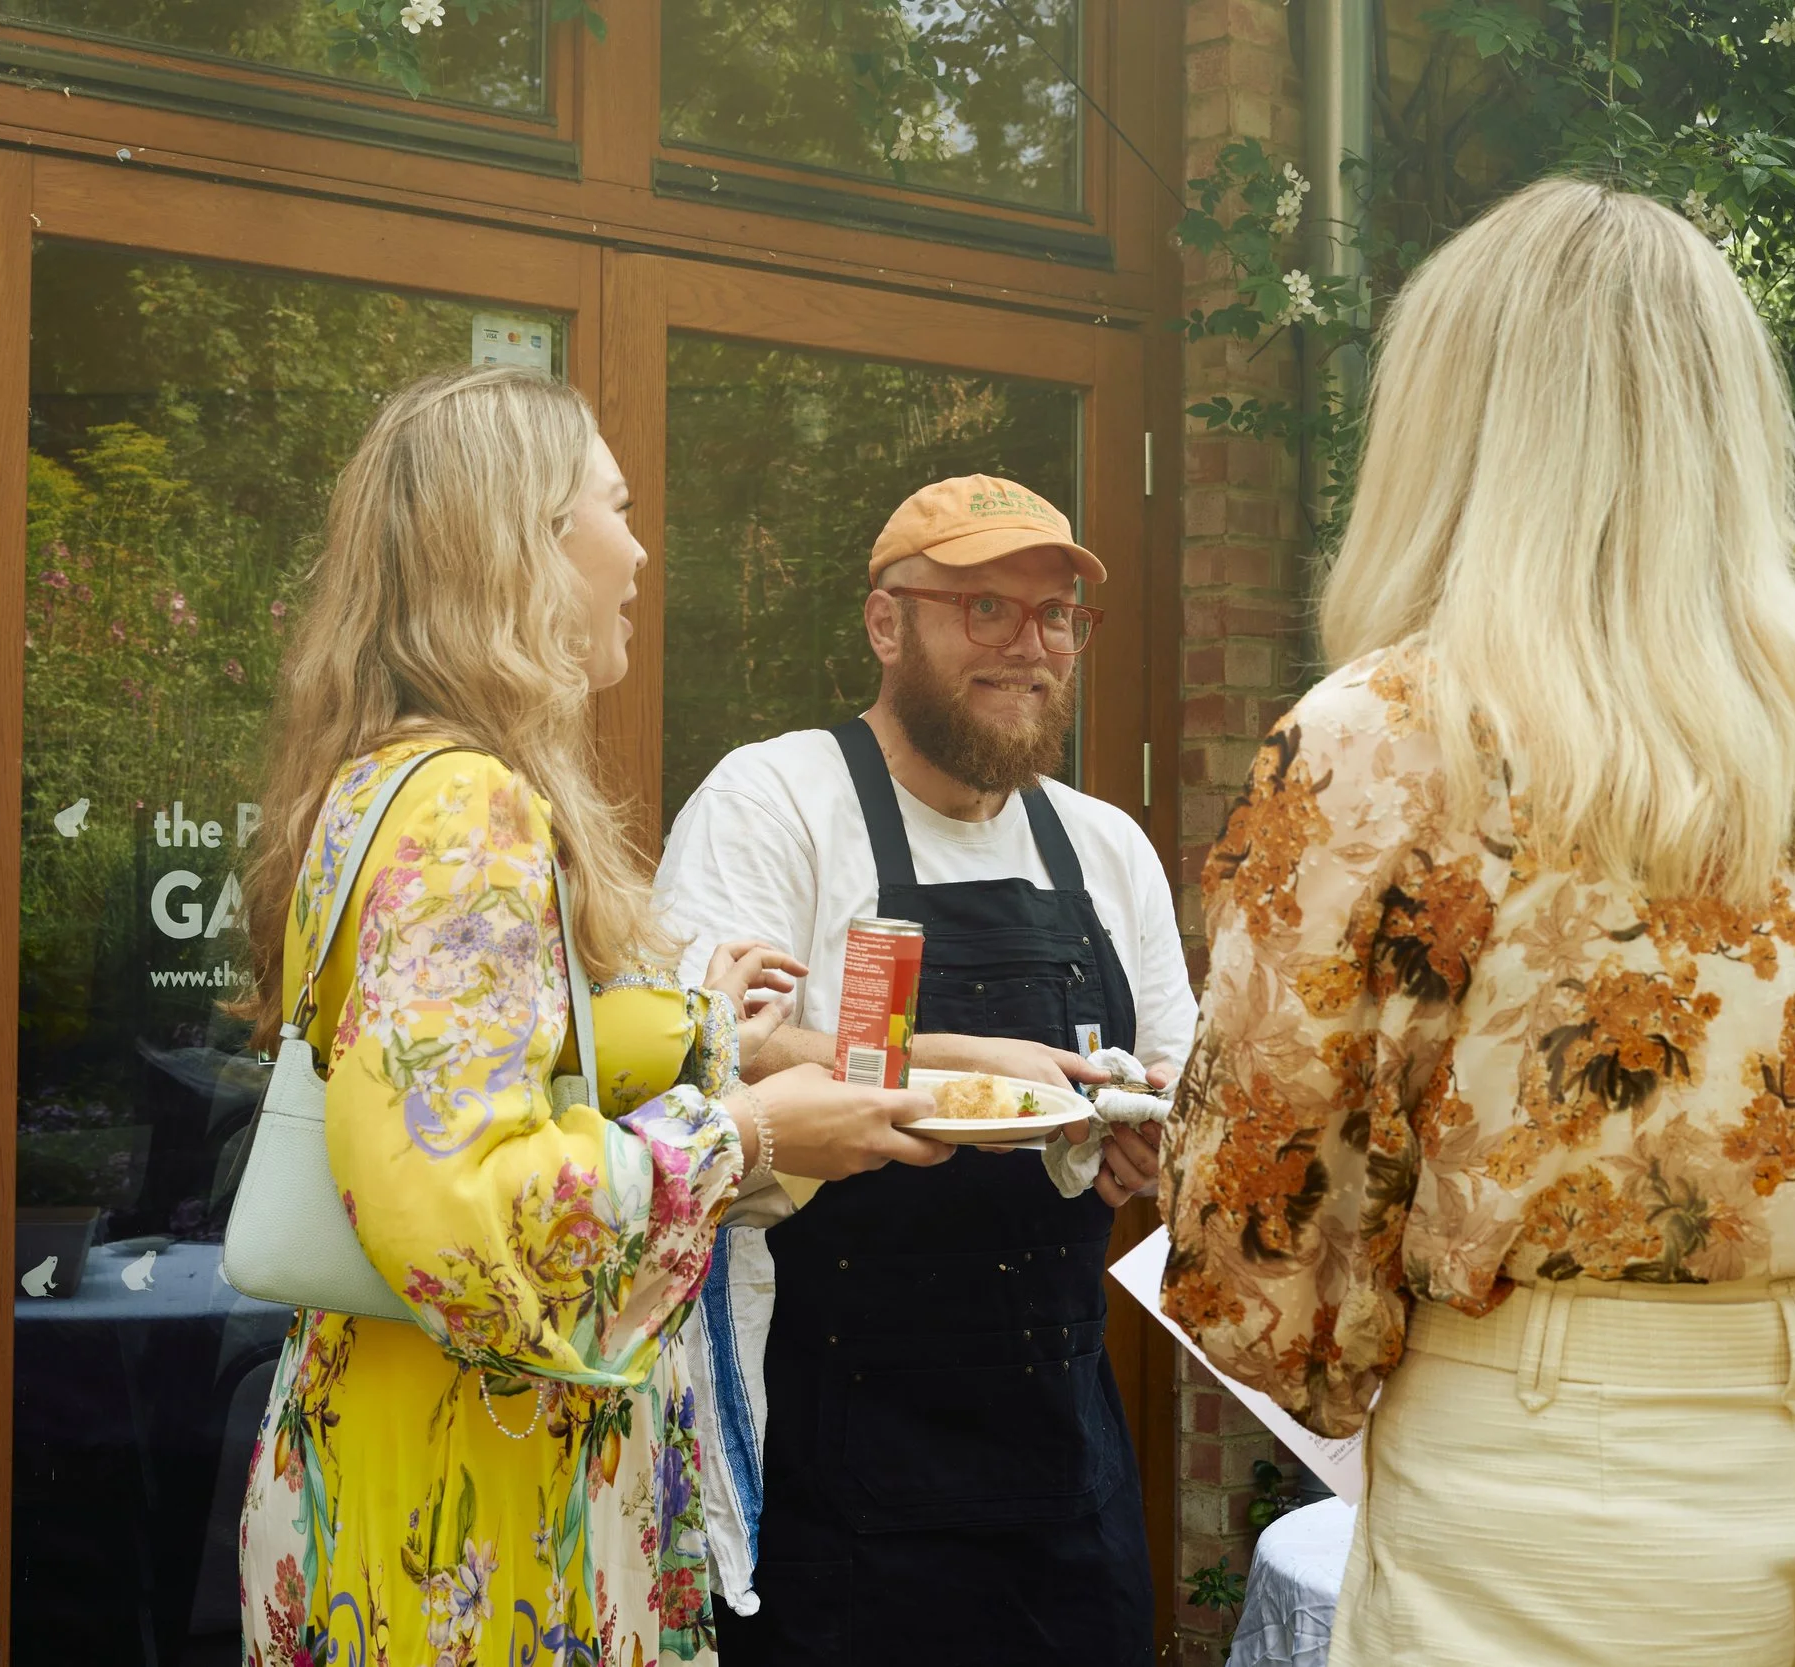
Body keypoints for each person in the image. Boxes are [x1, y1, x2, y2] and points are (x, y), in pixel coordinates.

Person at [1161, 177, 1795, 1667]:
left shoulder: (1389, 736)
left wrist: (1360, 1357)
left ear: (1453, 422)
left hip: (1553, 1476)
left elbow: (1254, 1228)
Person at [231, 364, 955, 1667]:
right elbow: (465, 1213)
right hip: (462, 1520)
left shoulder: (383, 780)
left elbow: (463, 1056)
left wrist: (683, 1028)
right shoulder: (468, 809)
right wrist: (743, 1131)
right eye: (614, 506)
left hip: (406, 1453)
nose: (639, 547)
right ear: (525, 544)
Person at [656, 475, 1195, 1666]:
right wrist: (947, 1061)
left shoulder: (1106, 846)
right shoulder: (776, 798)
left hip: (1059, 1454)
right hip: (827, 1451)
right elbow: (694, 1051)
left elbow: (1172, 1074)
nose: (1030, 646)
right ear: (886, 622)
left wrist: (1151, 1137)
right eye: (984, 608)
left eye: (1055, 615)